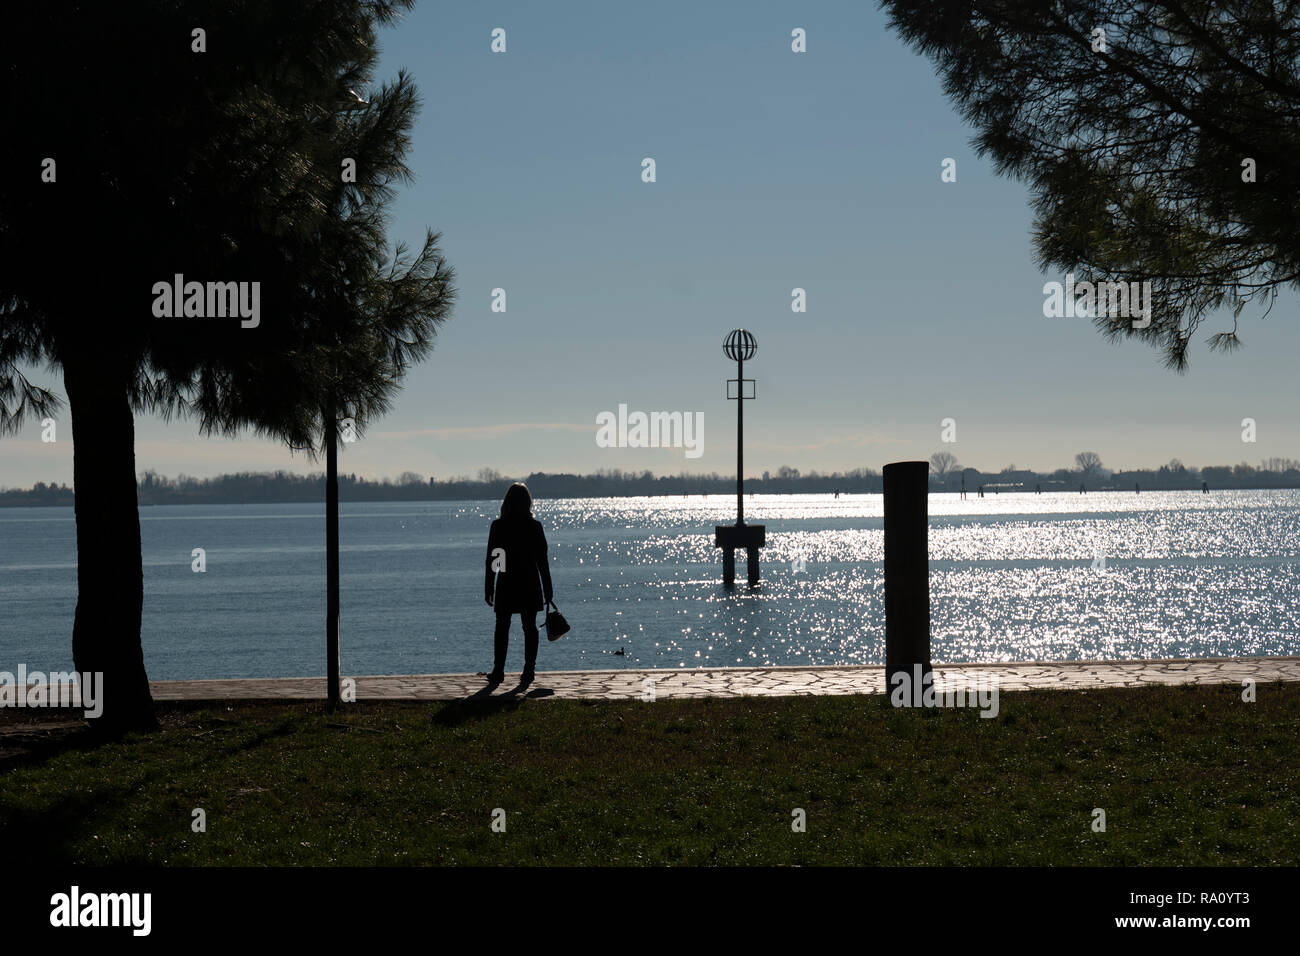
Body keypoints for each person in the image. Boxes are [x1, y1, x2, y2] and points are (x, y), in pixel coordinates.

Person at [485, 482, 553, 686]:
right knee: (530, 627)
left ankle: (498, 671)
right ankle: (528, 670)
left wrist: (489, 585)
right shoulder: (534, 526)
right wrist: (548, 589)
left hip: (507, 580)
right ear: (527, 503)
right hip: (530, 580)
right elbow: (542, 560)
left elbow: (495, 559)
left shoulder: (499, 526)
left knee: (502, 626)